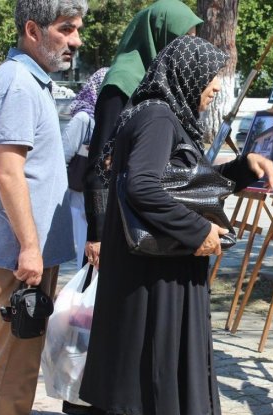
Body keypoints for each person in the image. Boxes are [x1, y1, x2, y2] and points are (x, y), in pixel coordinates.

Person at [78, 35, 273, 415]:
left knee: (149, 395)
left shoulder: (157, 113)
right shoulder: (157, 118)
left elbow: (183, 184)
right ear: (187, 76)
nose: (217, 87)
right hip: (154, 281)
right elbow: (143, 187)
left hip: (152, 276)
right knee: (156, 393)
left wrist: (242, 168)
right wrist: (199, 231)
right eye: (211, 77)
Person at [0, 0, 85, 415]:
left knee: (17, 360)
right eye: (66, 29)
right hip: (23, 256)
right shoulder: (19, 84)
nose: (75, 40)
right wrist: (30, 246)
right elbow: (8, 171)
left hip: (28, 251)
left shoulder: (28, 81)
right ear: (33, 31)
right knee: (14, 366)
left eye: (77, 29)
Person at [82, 0, 202, 269]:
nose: (189, 50)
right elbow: (100, 162)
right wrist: (98, 233)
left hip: (148, 224)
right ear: (162, 38)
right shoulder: (122, 84)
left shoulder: (163, 85)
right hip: (120, 224)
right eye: (184, 40)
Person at [63, 67, 108, 266]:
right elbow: (62, 156)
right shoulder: (83, 119)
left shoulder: (108, 118)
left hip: (99, 195)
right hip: (79, 196)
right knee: (86, 246)